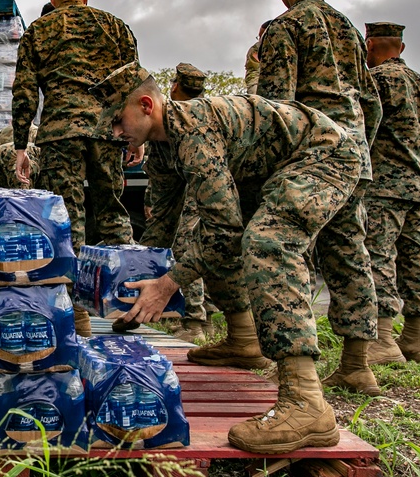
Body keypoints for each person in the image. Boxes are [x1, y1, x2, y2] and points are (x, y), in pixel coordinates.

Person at [92, 63, 358, 454]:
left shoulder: (194, 132)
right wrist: (134, 287)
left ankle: (307, 403)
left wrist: (166, 286)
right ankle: (244, 340)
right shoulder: (162, 153)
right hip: (264, 170)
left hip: (322, 155)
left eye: (118, 121)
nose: (116, 134)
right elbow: (162, 227)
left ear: (146, 105)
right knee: (205, 241)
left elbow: (226, 229)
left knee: (267, 243)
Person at [236, 0, 383, 396]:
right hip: (353, 155)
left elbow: (277, 107)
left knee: (276, 244)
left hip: (313, 156)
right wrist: (358, 148)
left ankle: (299, 382)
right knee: (348, 253)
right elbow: (372, 103)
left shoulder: (284, 28)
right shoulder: (348, 30)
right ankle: (359, 365)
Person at [12, 0, 141, 255]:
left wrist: (21, 146)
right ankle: (123, 285)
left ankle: (69, 293)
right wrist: (135, 136)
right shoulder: (114, 26)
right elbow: (133, 83)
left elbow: (24, 93)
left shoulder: (37, 31)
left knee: (66, 219)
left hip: (61, 134)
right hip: (107, 130)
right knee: (113, 214)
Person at [362, 22, 420, 365]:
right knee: (415, 257)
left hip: (385, 185)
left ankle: (383, 340)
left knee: (378, 256)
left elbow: (365, 130)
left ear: (370, 44)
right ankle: (414, 338)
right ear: (401, 48)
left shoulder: (376, 81)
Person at [167, 63, 216, 343]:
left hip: (191, 196)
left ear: (175, 86)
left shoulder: (178, 116)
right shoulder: (211, 112)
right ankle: (207, 317)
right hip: (215, 194)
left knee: (188, 251)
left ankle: (194, 321)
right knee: (211, 250)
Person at [244, 20, 273, 95]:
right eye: (259, 37)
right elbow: (253, 73)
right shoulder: (256, 49)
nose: (260, 40)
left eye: (263, 37)